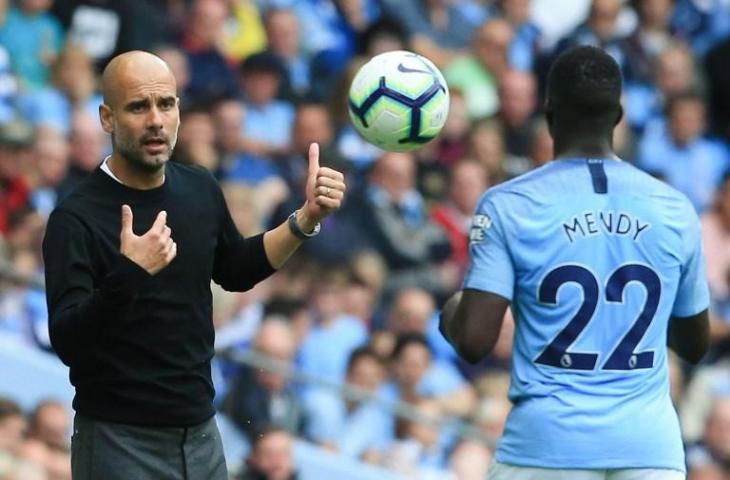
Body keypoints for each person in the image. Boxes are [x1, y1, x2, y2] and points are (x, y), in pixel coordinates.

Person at [41, 50, 346, 480]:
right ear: (107, 118)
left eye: (166, 104)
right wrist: (129, 275)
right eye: (138, 107)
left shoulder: (199, 186)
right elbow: (67, 340)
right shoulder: (76, 218)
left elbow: (235, 269)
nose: (155, 120)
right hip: (119, 440)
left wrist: (305, 219)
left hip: (201, 434)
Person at [440, 45, 710, 479]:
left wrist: (451, 311)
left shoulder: (510, 204)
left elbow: (474, 341)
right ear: (618, 116)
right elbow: (694, 345)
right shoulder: (674, 207)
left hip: (545, 448)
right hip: (648, 448)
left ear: (548, 114)